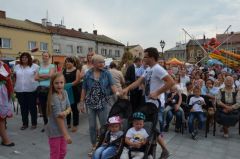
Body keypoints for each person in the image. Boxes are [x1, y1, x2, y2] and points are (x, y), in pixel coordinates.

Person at [122, 47, 175, 159]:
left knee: (153, 128)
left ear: (151, 57)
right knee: (153, 128)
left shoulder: (158, 69)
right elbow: (138, 81)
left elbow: (171, 82)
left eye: (145, 56)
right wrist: (127, 89)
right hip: (149, 103)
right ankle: (158, 151)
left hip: (156, 104)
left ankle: (161, 151)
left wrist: (157, 92)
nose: (143, 58)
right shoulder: (148, 69)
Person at [79, 54, 117, 156]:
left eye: (103, 62)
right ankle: (94, 145)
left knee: (104, 126)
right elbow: (84, 89)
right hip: (90, 103)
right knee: (92, 126)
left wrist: (118, 94)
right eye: (100, 62)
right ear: (93, 63)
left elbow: (112, 86)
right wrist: (81, 102)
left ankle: (103, 144)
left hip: (103, 103)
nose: (102, 64)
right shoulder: (88, 74)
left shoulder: (106, 73)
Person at [46, 73, 72, 159]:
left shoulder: (64, 92)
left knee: (63, 152)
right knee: (55, 153)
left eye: (61, 82)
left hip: (62, 129)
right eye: (56, 83)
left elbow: (69, 107)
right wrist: (66, 135)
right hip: (54, 131)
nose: (59, 85)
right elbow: (59, 118)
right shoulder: (54, 97)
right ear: (52, 84)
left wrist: (65, 112)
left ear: (64, 83)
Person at [14, 52, 39, 130]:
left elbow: (38, 77)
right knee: (23, 108)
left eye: (26, 57)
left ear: (29, 58)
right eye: (22, 57)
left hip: (31, 90)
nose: (24, 59)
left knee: (32, 108)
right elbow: (14, 77)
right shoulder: (17, 67)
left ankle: (34, 123)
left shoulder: (35, 66)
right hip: (20, 90)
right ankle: (25, 124)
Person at [35, 52, 55, 132]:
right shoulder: (39, 67)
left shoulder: (52, 66)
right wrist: (45, 77)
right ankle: (46, 124)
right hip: (41, 89)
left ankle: (52, 124)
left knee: (50, 107)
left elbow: (51, 76)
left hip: (49, 89)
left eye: (46, 56)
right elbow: (35, 78)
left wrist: (40, 76)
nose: (44, 57)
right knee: (43, 107)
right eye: (43, 56)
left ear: (49, 57)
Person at [63, 56, 81, 132]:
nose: (67, 63)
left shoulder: (77, 70)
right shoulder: (64, 71)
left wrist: (69, 85)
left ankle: (75, 124)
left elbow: (77, 80)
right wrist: (64, 85)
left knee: (74, 108)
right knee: (67, 107)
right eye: (66, 62)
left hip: (74, 91)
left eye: (69, 62)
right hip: (65, 91)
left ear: (73, 63)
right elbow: (62, 80)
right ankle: (68, 123)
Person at [0, 60, 14, 146]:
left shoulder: (3, 64)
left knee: (2, 117)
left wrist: (11, 91)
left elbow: (8, 80)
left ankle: (5, 139)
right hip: (2, 93)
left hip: (3, 93)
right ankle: (5, 139)